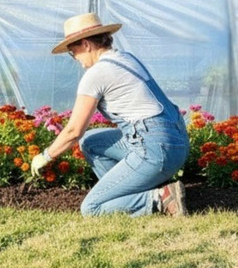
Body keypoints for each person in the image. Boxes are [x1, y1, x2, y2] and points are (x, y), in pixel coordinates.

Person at [30, 12, 189, 216]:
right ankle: (127, 194)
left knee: (91, 208)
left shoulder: (96, 74)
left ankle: (160, 199)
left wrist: (46, 155)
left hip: (156, 150)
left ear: (86, 44)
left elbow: (73, 131)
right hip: (177, 143)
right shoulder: (126, 59)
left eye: (73, 51)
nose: (75, 58)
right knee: (90, 141)